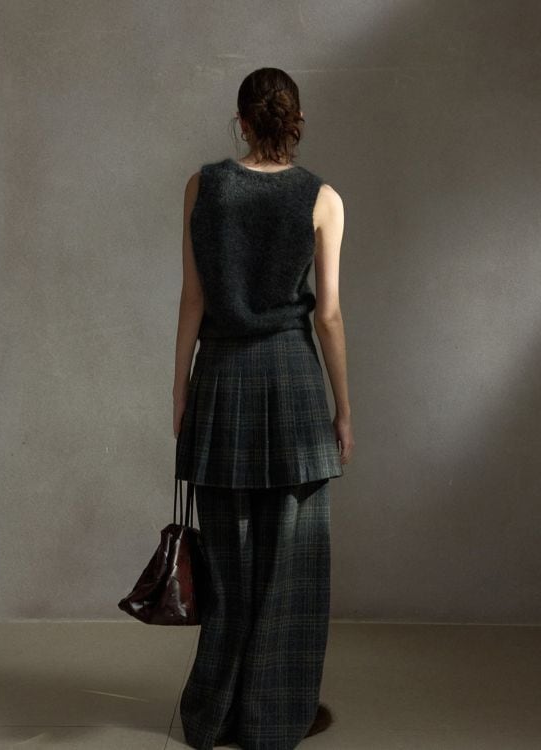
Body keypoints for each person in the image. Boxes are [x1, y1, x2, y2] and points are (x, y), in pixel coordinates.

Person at [172, 67, 355, 750]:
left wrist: (180, 389)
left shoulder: (203, 187)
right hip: (294, 387)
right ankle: (273, 716)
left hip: (221, 382)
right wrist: (344, 410)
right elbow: (328, 316)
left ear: (242, 121)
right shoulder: (323, 199)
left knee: (227, 562)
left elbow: (193, 298)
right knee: (292, 566)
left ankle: (214, 715)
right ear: (294, 121)